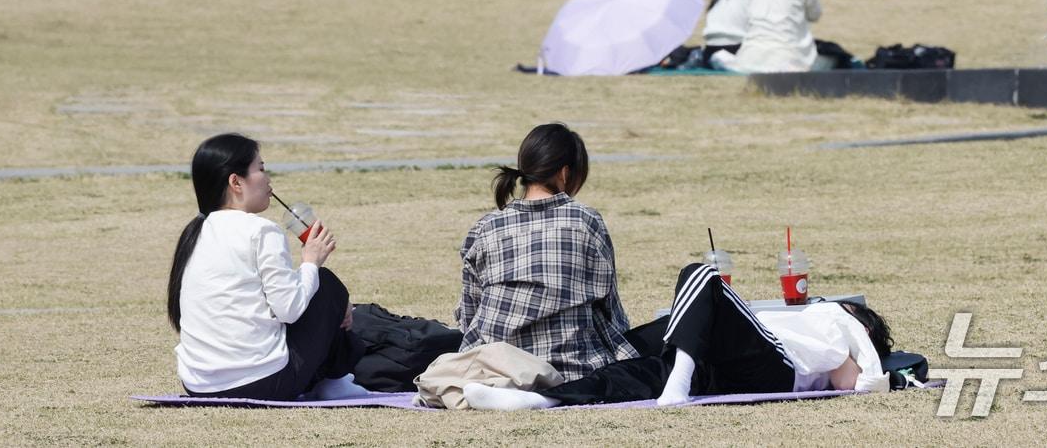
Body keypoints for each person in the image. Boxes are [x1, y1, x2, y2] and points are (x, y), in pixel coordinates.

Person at [462, 262, 909, 410]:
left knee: (701, 274)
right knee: (638, 374)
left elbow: (854, 382)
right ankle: (538, 400)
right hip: (730, 367)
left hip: (776, 362)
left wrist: (866, 345)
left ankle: (678, 378)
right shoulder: (819, 321)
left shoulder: (840, 322)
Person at [168, 133, 367, 400]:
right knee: (326, 283)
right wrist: (311, 262)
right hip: (261, 383)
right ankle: (335, 382)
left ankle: (334, 380)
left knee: (316, 285)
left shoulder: (195, 232)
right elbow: (289, 310)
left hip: (198, 384)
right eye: (260, 169)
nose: (268, 178)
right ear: (236, 182)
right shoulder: (262, 230)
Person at [456, 123, 639, 381]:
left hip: (493, 370)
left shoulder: (486, 227)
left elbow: (469, 314)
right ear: (565, 173)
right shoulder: (585, 221)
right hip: (574, 369)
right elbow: (610, 310)